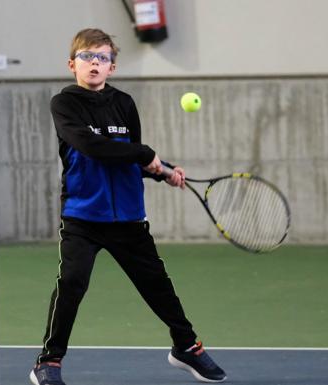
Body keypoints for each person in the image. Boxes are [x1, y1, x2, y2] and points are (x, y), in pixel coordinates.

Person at [29, 28, 226, 385]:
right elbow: (93, 147)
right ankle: (49, 361)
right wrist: (147, 155)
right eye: (87, 57)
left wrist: (162, 171)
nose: (94, 63)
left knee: (157, 284)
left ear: (112, 67)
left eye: (102, 58)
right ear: (72, 64)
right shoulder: (65, 104)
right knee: (72, 283)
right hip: (83, 216)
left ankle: (186, 347)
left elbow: (131, 158)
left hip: (129, 218)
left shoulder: (125, 103)